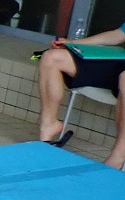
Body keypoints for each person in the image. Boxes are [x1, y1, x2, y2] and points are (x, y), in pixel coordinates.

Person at [36, 28, 125, 167]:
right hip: (120, 61)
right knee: (51, 57)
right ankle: (48, 126)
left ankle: (119, 156)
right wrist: (74, 43)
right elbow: (120, 34)